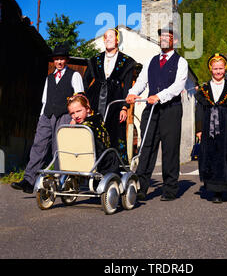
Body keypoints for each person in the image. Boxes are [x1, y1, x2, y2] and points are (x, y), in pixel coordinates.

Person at [126, 23, 188, 201]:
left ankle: (170, 189)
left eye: (167, 36)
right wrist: (132, 93)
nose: (163, 39)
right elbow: (141, 81)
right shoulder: (151, 61)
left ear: (174, 40)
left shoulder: (181, 62)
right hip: (151, 110)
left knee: (170, 149)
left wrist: (159, 96)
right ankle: (142, 187)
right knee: (147, 147)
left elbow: (178, 86)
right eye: (161, 36)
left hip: (171, 110)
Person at [11, 44, 84, 194]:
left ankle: (60, 182)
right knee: (38, 146)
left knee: (60, 149)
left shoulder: (74, 75)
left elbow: (79, 98)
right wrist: (41, 117)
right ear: (53, 61)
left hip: (64, 115)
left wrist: (74, 118)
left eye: (61, 59)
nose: (59, 62)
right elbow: (45, 99)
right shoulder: (49, 78)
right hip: (47, 115)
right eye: (56, 59)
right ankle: (29, 180)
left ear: (66, 60)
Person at [195, 53, 227, 203]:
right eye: (215, 68)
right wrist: (199, 129)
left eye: (221, 68)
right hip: (209, 125)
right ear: (211, 69)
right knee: (212, 157)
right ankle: (215, 192)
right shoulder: (204, 90)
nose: (218, 71)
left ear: (225, 69)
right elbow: (199, 111)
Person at [83, 28, 136, 163]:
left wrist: (124, 107)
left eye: (111, 37)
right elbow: (86, 80)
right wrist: (85, 102)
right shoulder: (95, 59)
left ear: (118, 40)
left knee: (115, 133)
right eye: (105, 37)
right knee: (93, 131)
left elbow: (128, 87)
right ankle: (91, 164)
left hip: (115, 102)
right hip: (95, 100)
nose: (108, 39)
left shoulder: (127, 61)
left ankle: (114, 167)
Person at [67, 93, 119, 174]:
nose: (76, 116)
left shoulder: (95, 122)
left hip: (101, 160)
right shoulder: (82, 125)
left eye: (78, 111)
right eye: (72, 113)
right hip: (86, 159)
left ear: (87, 109)